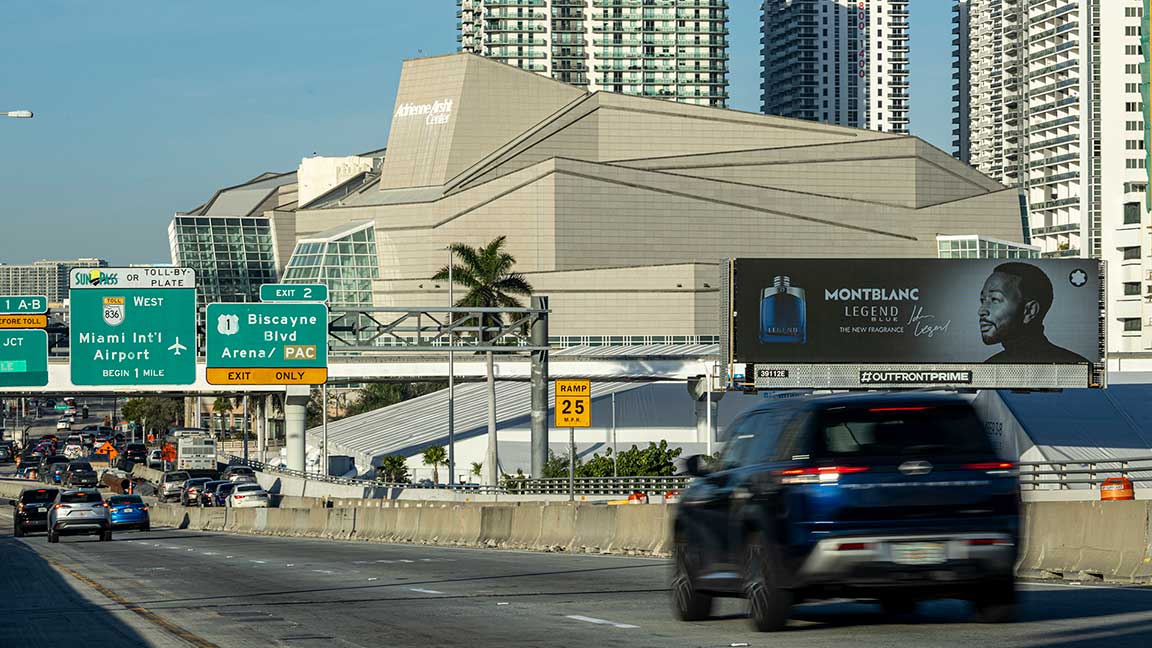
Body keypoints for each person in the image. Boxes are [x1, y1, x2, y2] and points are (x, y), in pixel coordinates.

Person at [978, 262, 1089, 364]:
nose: (981, 311)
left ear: (1030, 311)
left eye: (995, 299)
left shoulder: (989, 369)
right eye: (983, 300)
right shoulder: (1078, 364)